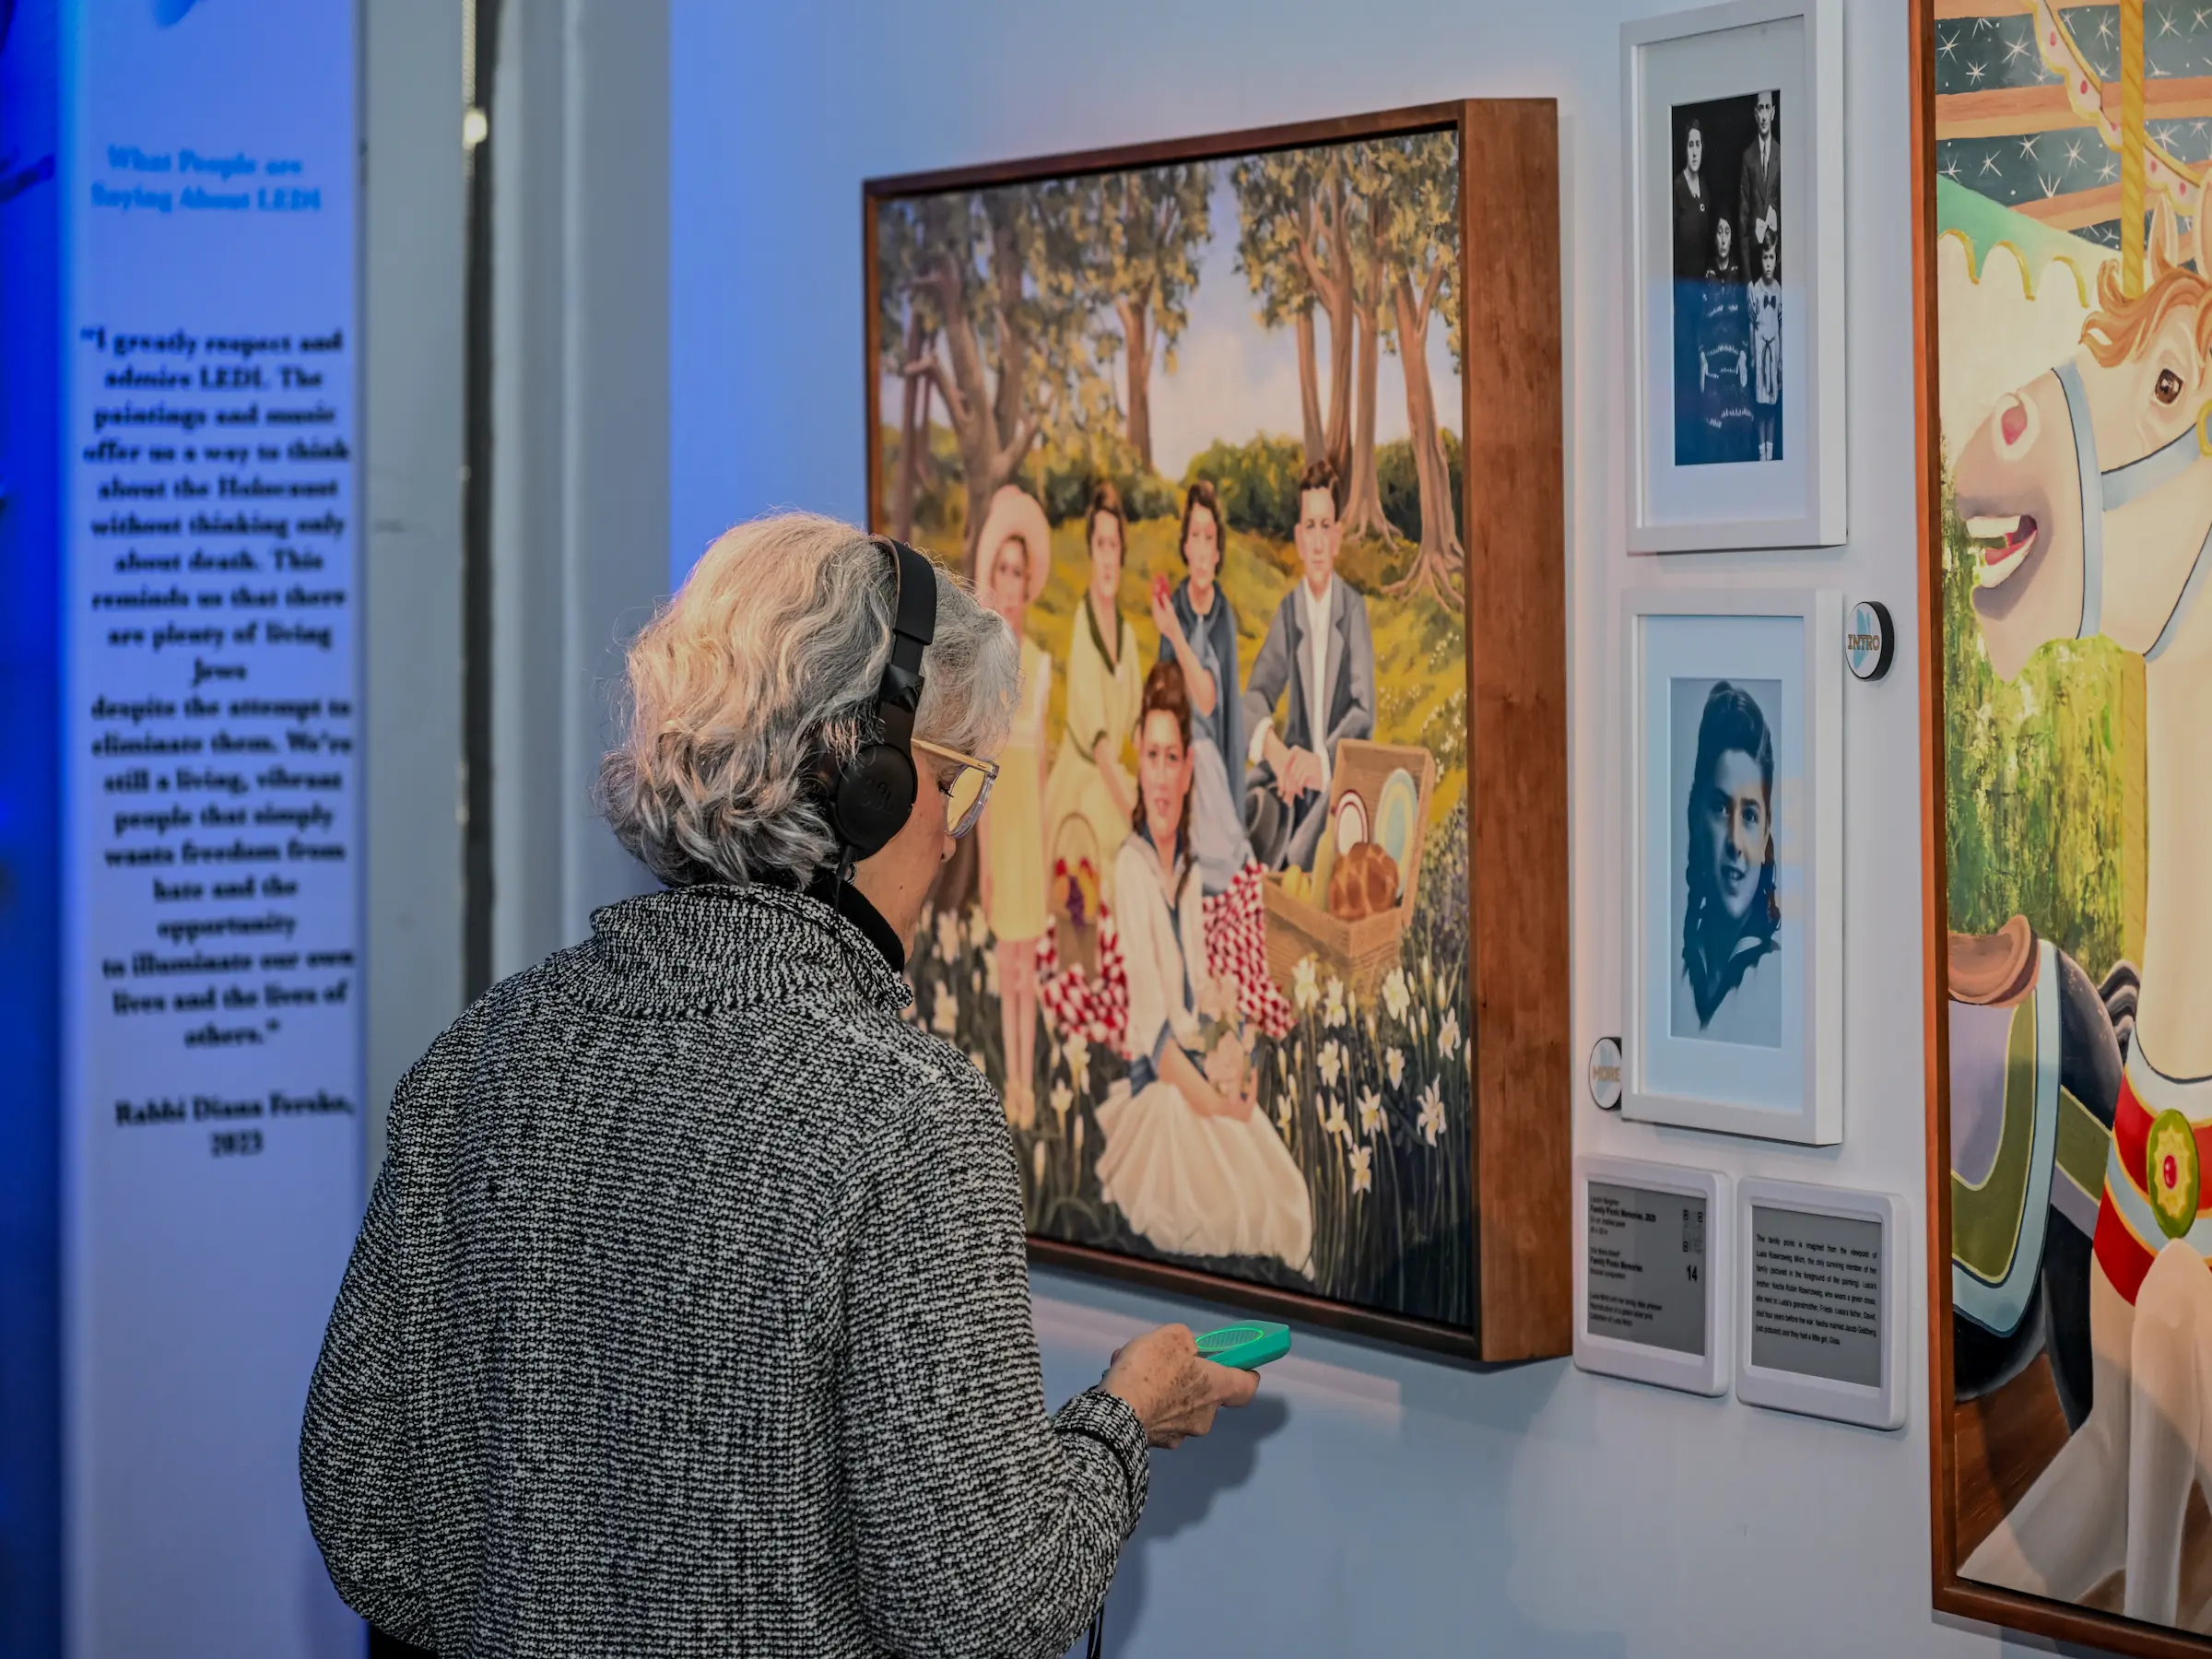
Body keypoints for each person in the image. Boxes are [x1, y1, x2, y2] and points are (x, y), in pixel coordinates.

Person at [300, 513, 1257, 1659]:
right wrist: (1122, 1422)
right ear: (869, 786)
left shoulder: (481, 1058)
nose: (956, 833)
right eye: (955, 783)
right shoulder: (911, 1124)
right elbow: (987, 1610)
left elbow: (365, 1516)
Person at [1095, 661, 1313, 1269]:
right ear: (1138, 762)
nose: (1162, 777)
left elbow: (1204, 995)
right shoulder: (1132, 870)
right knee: (1224, 1210)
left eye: (1174, 759)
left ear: (1189, 769)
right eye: (1152, 757)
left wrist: (1237, 1054)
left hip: (1198, 1069)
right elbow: (1157, 1037)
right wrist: (1217, 1104)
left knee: (1284, 1191)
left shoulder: (1188, 873)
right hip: (1164, 1090)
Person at [1241, 458, 1376, 872]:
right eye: (1310, 528)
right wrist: (1277, 754)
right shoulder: (1289, 613)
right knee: (1240, 816)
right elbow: (1254, 697)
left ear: (1337, 537)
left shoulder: (1352, 611)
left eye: (1325, 527)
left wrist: (1323, 763)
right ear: (1299, 539)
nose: (1318, 543)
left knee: (1303, 858)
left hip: (1336, 778)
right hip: (1293, 784)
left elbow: (1363, 712)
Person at [975, 486, 1053, 1129]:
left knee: (1030, 964)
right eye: (1001, 570)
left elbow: (1043, 771)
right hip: (1001, 835)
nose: (1009, 584)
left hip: (1031, 834)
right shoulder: (985, 671)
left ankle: (1029, 1077)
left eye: (1018, 573)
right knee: (1007, 963)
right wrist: (983, 861)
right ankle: (1013, 1083)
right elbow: (980, 773)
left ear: (1029, 584)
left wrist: (1047, 850)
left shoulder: (1044, 668)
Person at [1151, 479, 1253, 895]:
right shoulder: (1175, 604)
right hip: (1176, 756)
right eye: (1196, 536)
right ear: (1186, 547)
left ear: (1218, 551)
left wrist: (1175, 634)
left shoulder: (1221, 616)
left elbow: (1210, 700)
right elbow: (1163, 693)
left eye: (1210, 538)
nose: (1203, 548)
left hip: (1208, 759)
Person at [1044, 480, 1142, 910]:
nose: (1107, 557)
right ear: (1091, 552)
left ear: (1122, 553)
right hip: (1083, 784)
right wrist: (1136, 812)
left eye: (1113, 545)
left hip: (1113, 780)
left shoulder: (1128, 636)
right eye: (1100, 544)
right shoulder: (1082, 630)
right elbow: (1101, 746)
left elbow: (1135, 724)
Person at [1675, 680, 1782, 1044]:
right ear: (1695, 817)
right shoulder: (1675, 974)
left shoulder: (1779, 983)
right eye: (1721, 808)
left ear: (1766, 834)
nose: (1735, 841)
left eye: (1749, 815)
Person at [1697, 214, 1753, 465]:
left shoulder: (1738, 274)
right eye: (1719, 232)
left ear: (1732, 240)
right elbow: (1700, 322)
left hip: (1734, 362)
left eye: (1727, 233)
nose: (1723, 239)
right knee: (1711, 433)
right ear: (1714, 238)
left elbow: (1744, 320)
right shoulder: (1707, 275)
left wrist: (1743, 355)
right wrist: (1702, 359)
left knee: (1742, 423)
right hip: (1713, 364)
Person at [1749, 237, 1783, 462]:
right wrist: (1753, 357)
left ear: (1776, 259)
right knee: (1760, 406)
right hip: (1760, 351)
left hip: (1774, 354)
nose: (1768, 263)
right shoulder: (1755, 290)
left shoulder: (1779, 289)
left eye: (1771, 257)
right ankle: (1761, 454)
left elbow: (1781, 325)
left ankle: (1770, 454)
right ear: (1760, 260)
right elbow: (1751, 325)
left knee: (1772, 405)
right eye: (1765, 258)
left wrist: (1780, 361)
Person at [1739, 88, 1780, 280]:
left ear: (1773, 112)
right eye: (1760, 109)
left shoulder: (1782, 154)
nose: (1764, 116)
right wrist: (1747, 278)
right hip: (1755, 264)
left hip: (1777, 263)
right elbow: (1743, 219)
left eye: (1767, 108)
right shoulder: (1748, 158)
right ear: (1755, 114)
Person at [1672, 119, 1712, 281]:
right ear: (1685, 149)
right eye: (1690, 145)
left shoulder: (1704, 185)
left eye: (1698, 145)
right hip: (1683, 281)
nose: (1695, 152)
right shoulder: (1677, 187)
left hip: (1702, 281)